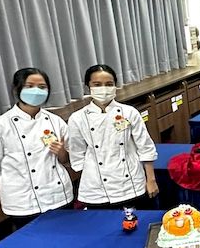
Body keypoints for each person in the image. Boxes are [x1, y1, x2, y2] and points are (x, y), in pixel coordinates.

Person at [0, 68, 74, 228]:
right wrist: (12, 184)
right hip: (23, 204)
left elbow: (69, 158)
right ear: (17, 89)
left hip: (59, 197)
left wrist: (62, 153)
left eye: (42, 87)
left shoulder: (55, 121)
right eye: (29, 86)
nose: (36, 91)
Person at [68, 65, 158, 209]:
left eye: (109, 84)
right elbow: (77, 154)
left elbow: (145, 147)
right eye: (97, 85)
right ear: (88, 87)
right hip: (96, 188)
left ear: (115, 86)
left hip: (131, 183)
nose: (103, 89)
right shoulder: (77, 118)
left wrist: (151, 180)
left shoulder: (129, 112)